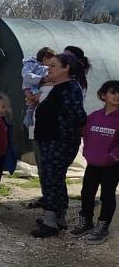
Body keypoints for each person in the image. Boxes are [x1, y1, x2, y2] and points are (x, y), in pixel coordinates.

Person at [31, 54, 87, 237]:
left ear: (66, 68)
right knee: (53, 177)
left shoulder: (70, 88)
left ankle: (50, 222)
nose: (49, 69)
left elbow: (77, 115)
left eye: (54, 66)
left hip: (59, 141)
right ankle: (58, 216)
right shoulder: (59, 87)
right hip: (50, 140)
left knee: (52, 179)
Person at [70, 80, 119, 244]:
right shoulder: (94, 116)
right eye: (113, 92)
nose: (117, 96)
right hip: (93, 163)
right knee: (87, 192)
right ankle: (86, 221)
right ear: (104, 95)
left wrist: (112, 157)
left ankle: (102, 226)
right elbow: (86, 135)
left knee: (107, 195)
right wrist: (87, 152)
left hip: (112, 166)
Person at [22, 47, 55, 128]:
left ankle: (31, 116)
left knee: (36, 100)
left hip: (40, 87)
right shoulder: (32, 64)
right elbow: (26, 75)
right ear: (45, 58)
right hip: (31, 87)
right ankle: (29, 116)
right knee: (34, 99)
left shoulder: (46, 67)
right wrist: (41, 79)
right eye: (51, 61)